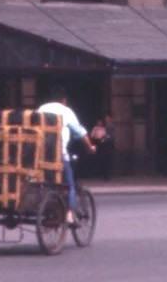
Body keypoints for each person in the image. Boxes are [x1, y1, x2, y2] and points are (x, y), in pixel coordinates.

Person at [38, 87, 93, 223]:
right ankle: (69, 214)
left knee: (43, 182)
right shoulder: (65, 111)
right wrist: (90, 147)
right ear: (63, 100)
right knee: (69, 185)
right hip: (59, 153)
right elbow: (80, 132)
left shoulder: (41, 109)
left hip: (38, 155)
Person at [90, 114, 115, 180]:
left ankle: (106, 175)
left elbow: (108, 136)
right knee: (101, 159)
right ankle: (101, 174)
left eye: (108, 118)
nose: (100, 123)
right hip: (99, 143)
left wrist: (104, 139)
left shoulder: (107, 127)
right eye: (106, 118)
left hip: (106, 144)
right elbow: (92, 136)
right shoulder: (96, 128)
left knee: (106, 159)